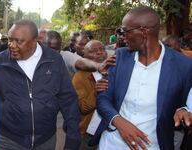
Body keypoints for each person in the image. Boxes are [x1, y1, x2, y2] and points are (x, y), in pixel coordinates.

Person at [91, 6, 192, 150]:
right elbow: (103, 99)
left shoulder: (183, 65)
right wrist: (118, 121)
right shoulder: (119, 57)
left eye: (125, 31)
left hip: (153, 145)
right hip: (112, 143)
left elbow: (186, 104)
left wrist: (184, 110)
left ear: (144, 32)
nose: (122, 36)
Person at [0, 19, 81, 150]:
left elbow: (68, 100)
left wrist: (72, 140)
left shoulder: (54, 60)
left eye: (19, 41)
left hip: (45, 141)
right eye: (10, 39)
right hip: (8, 141)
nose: (12, 45)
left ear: (35, 41)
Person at [72, 40, 107, 150]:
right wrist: (96, 93)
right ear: (85, 56)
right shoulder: (79, 77)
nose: (99, 52)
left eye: (102, 49)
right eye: (93, 51)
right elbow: (83, 107)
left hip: (111, 133)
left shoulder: (114, 70)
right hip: (89, 133)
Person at [42, 30, 115, 77]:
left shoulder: (65, 55)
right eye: (51, 49)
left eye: (57, 49)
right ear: (42, 45)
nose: (54, 53)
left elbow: (80, 62)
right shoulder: (33, 57)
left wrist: (98, 66)